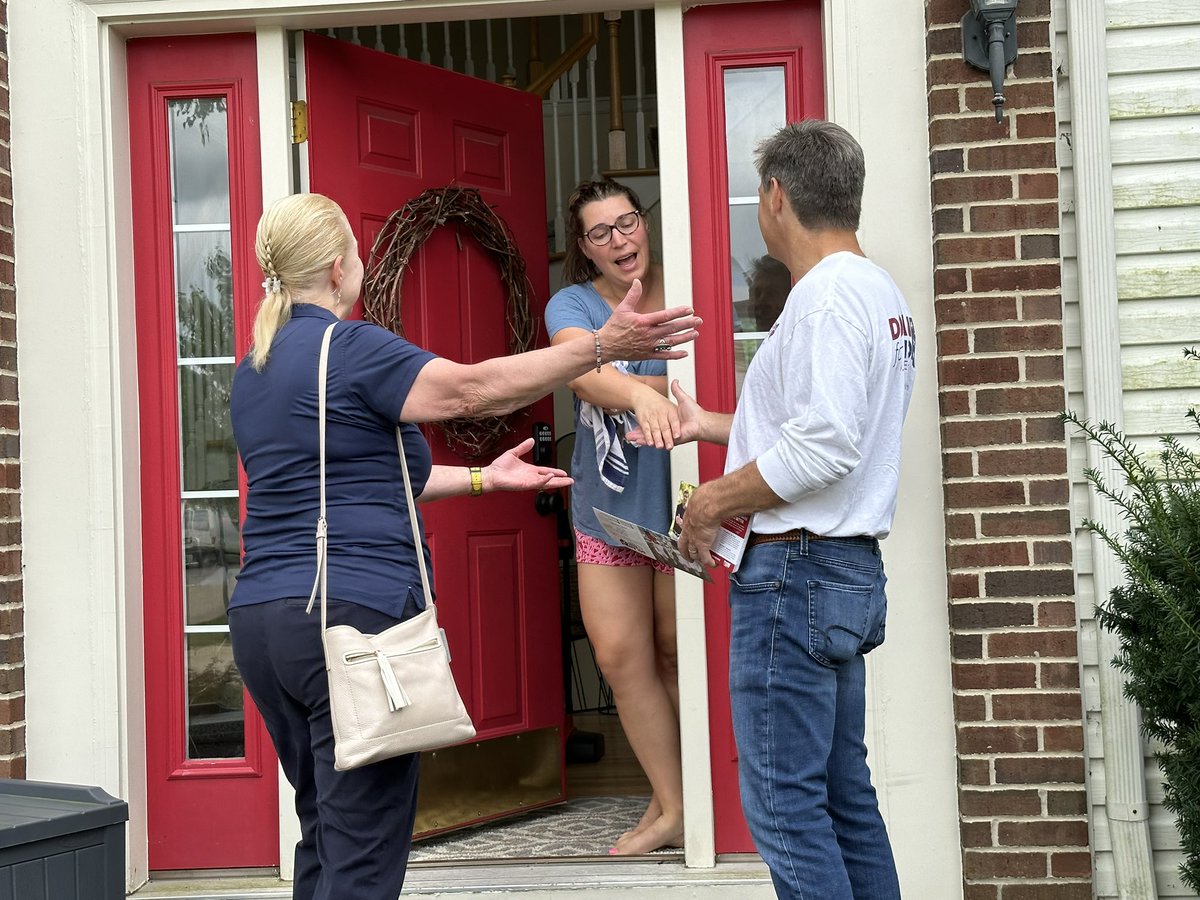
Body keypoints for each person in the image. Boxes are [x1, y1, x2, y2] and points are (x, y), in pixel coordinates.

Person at [227, 192, 700, 900]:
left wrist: (485, 477)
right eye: (356, 249)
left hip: (266, 626)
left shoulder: (254, 368)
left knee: (326, 831)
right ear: (337, 269)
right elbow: (470, 391)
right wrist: (602, 347)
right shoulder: (348, 347)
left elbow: (367, 480)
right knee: (362, 855)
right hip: (349, 623)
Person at [670, 121, 916, 899]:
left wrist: (710, 501)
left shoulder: (824, 299)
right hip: (841, 573)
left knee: (783, 805)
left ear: (776, 195)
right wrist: (711, 425)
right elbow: (822, 428)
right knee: (843, 799)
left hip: (795, 577)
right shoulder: (874, 291)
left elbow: (826, 446)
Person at [544, 179, 685, 856]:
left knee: (678, 650)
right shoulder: (571, 304)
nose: (619, 240)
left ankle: (694, 797)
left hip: (686, 503)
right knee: (622, 657)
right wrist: (644, 391)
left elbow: (716, 372)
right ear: (584, 247)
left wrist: (626, 381)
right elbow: (581, 373)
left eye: (627, 222)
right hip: (609, 510)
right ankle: (675, 805)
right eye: (600, 232)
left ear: (644, 222)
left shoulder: (686, 279)